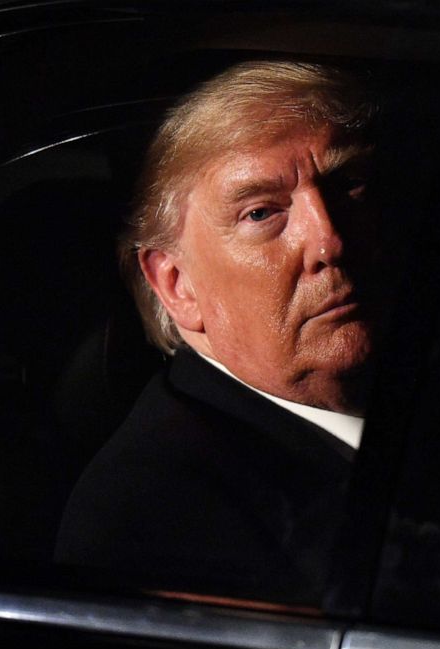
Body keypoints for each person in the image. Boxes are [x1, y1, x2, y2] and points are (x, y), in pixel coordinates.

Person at [55, 61, 388, 602]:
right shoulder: (154, 516)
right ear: (177, 284)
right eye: (261, 213)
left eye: (348, 184)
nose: (329, 242)